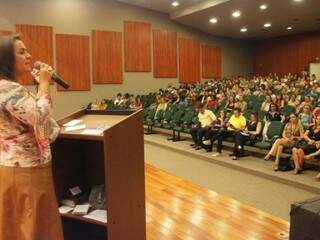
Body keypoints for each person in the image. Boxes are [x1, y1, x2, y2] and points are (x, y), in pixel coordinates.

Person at [0, 35, 63, 239]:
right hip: (24, 171)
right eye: (21, 52)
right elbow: (38, 116)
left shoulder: (13, 88)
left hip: (30, 168)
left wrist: (40, 87)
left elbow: (39, 125)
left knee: (36, 226)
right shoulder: (6, 88)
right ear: (6, 59)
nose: (29, 56)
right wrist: (44, 84)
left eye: (27, 51)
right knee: (30, 228)